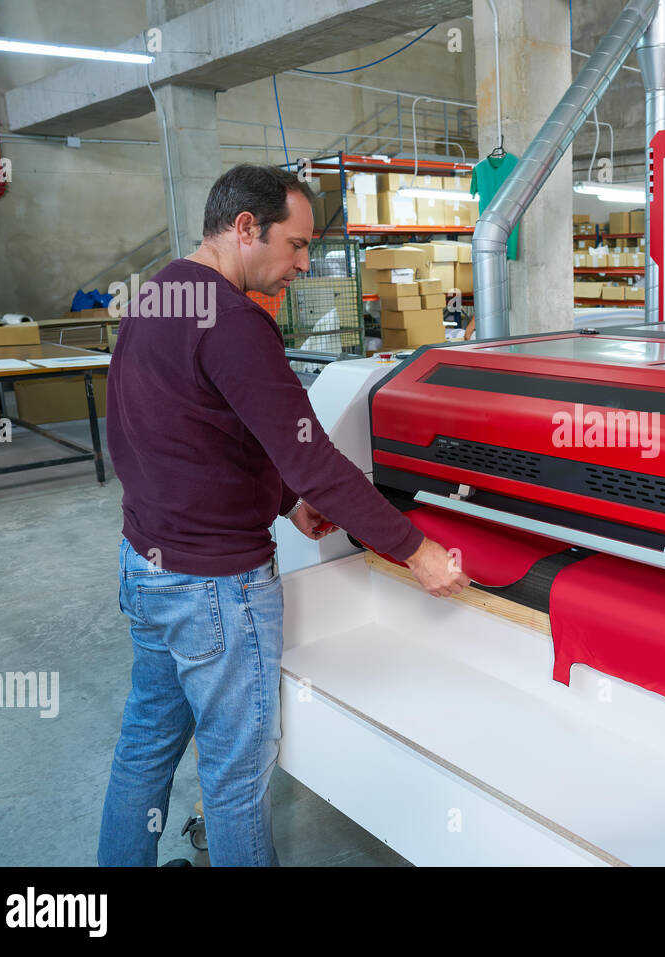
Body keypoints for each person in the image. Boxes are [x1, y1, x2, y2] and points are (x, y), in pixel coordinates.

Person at [97, 164, 469, 866]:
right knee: (237, 778)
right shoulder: (236, 323)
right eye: (295, 244)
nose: (303, 262)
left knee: (144, 748)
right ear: (245, 229)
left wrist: (285, 504)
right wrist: (413, 549)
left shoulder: (160, 294)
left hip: (146, 570)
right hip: (214, 590)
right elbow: (318, 461)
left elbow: (180, 433)